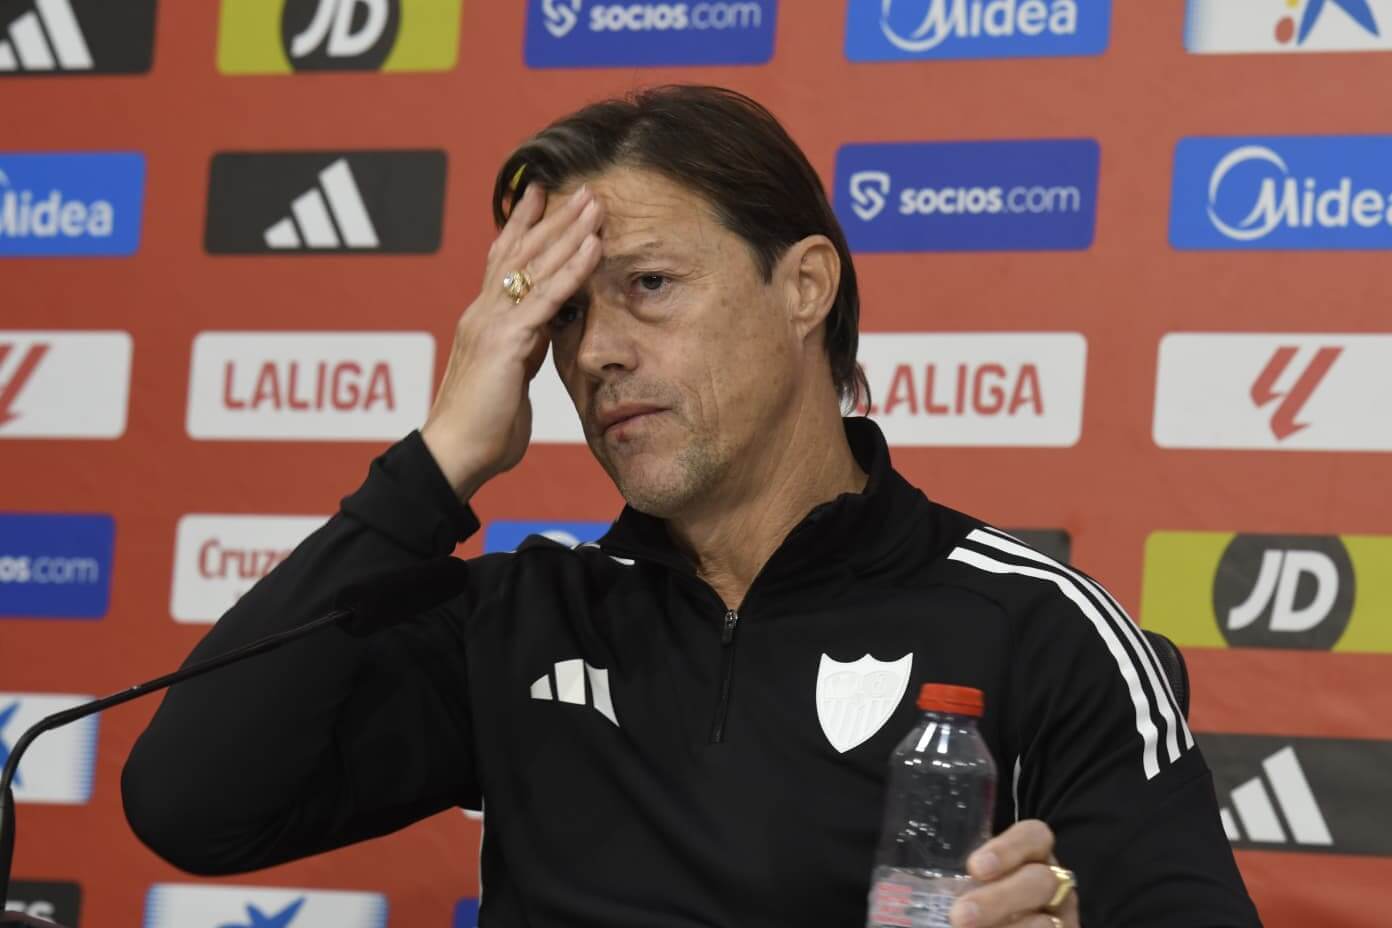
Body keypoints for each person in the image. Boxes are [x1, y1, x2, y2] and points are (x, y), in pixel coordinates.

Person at [122, 85, 1261, 928]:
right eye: (565, 316)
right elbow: (190, 805)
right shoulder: (527, 616)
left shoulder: (1039, 629)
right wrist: (436, 464)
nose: (596, 354)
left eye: (649, 286)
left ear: (804, 286)